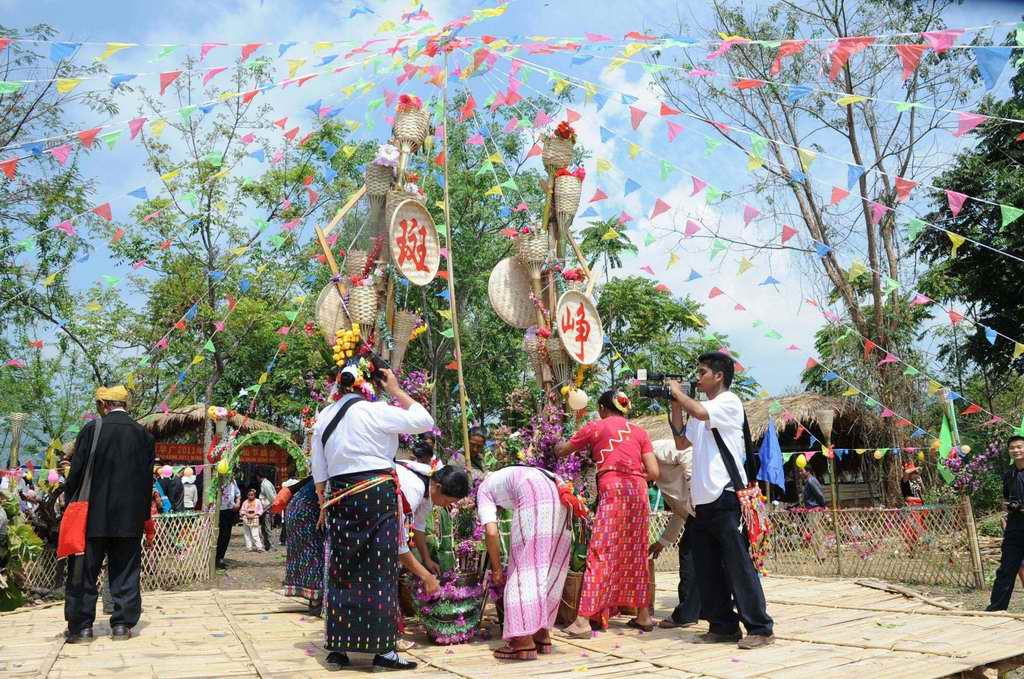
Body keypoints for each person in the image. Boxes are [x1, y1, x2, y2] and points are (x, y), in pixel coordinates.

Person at [311, 359, 435, 671]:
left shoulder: (325, 415)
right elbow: (424, 421)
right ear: (370, 385)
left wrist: (323, 501)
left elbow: (319, 467)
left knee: (342, 570)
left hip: (340, 496)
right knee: (379, 572)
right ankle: (383, 652)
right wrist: (395, 390)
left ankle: (339, 649)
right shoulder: (376, 410)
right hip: (375, 493)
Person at [667, 351, 775, 649]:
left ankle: (760, 628)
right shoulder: (700, 410)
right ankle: (723, 626)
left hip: (726, 495)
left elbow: (701, 413)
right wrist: (675, 404)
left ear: (719, 376)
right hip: (702, 502)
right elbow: (680, 441)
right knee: (708, 567)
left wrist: (679, 392)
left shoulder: (728, 402)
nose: (697, 377)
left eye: (702, 372)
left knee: (738, 566)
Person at [555, 390, 659, 636]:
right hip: (639, 492)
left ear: (602, 407)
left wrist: (553, 444)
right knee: (636, 553)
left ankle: (582, 621)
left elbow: (563, 451)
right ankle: (643, 616)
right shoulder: (640, 432)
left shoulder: (596, 427)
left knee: (600, 551)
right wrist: (633, 476)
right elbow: (654, 472)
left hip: (613, 490)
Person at [62, 385, 155, 643]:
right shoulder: (144, 435)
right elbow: (147, 482)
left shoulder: (92, 430)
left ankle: (82, 628)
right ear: (125, 405)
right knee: (126, 571)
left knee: (84, 572)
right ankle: (122, 626)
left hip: (92, 517)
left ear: (104, 405)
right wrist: (141, 515)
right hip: (129, 519)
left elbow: (76, 474)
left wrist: (70, 503)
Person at [476, 465, 574, 660]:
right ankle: (541, 635)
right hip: (560, 492)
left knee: (525, 567)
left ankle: (522, 642)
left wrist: (496, 570)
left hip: (534, 493)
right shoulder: (510, 474)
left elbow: (491, 531)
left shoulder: (483, 489)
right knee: (549, 565)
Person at [647, 439, 701, 630]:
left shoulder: (654, 448)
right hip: (696, 513)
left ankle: (687, 612)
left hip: (704, 504)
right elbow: (680, 512)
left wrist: (694, 487)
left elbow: (687, 452)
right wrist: (662, 541)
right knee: (703, 557)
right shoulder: (660, 480)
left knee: (690, 556)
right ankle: (700, 608)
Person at [395, 462, 469, 588]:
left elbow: (418, 524)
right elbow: (398, 542)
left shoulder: (430, 488)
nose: (446, 505)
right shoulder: (414, 489)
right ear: (438, 487)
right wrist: (426, 576)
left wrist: (427, 559)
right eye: (447, 501)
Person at [986, 436, 1024, 611]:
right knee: (1006, 569)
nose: (1016, 450)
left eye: (1020, 447)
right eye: (1012, 448)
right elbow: (1007, 498)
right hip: (1014, 527)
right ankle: (996, 608)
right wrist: (1008, 506)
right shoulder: (1009, 474)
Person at [281, 477, 325, 616]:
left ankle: (315, 599)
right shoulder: (332, 473)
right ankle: (316, 601)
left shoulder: (320, 473)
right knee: (315, 552)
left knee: (311, 552)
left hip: (297, 508)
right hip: (306, 510)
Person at [215, 475, 241, 570]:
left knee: (226, 535)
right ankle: (215, 557)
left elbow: (238, 494)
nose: (233, 474)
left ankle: (220, 557)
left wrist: (238, 503)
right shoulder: (218, 480)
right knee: (220, 534)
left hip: (230, 510)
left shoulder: (233, 481)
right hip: (219, 510)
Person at [257, 471, 277, 552]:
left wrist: (273, 508)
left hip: (268, 509)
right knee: (264, 528)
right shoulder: (265, 483)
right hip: (266, 509)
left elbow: (272, 498)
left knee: (267, 528)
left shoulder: (266, 484)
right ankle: (267, 545)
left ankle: (271, 546)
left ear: (258, 476)